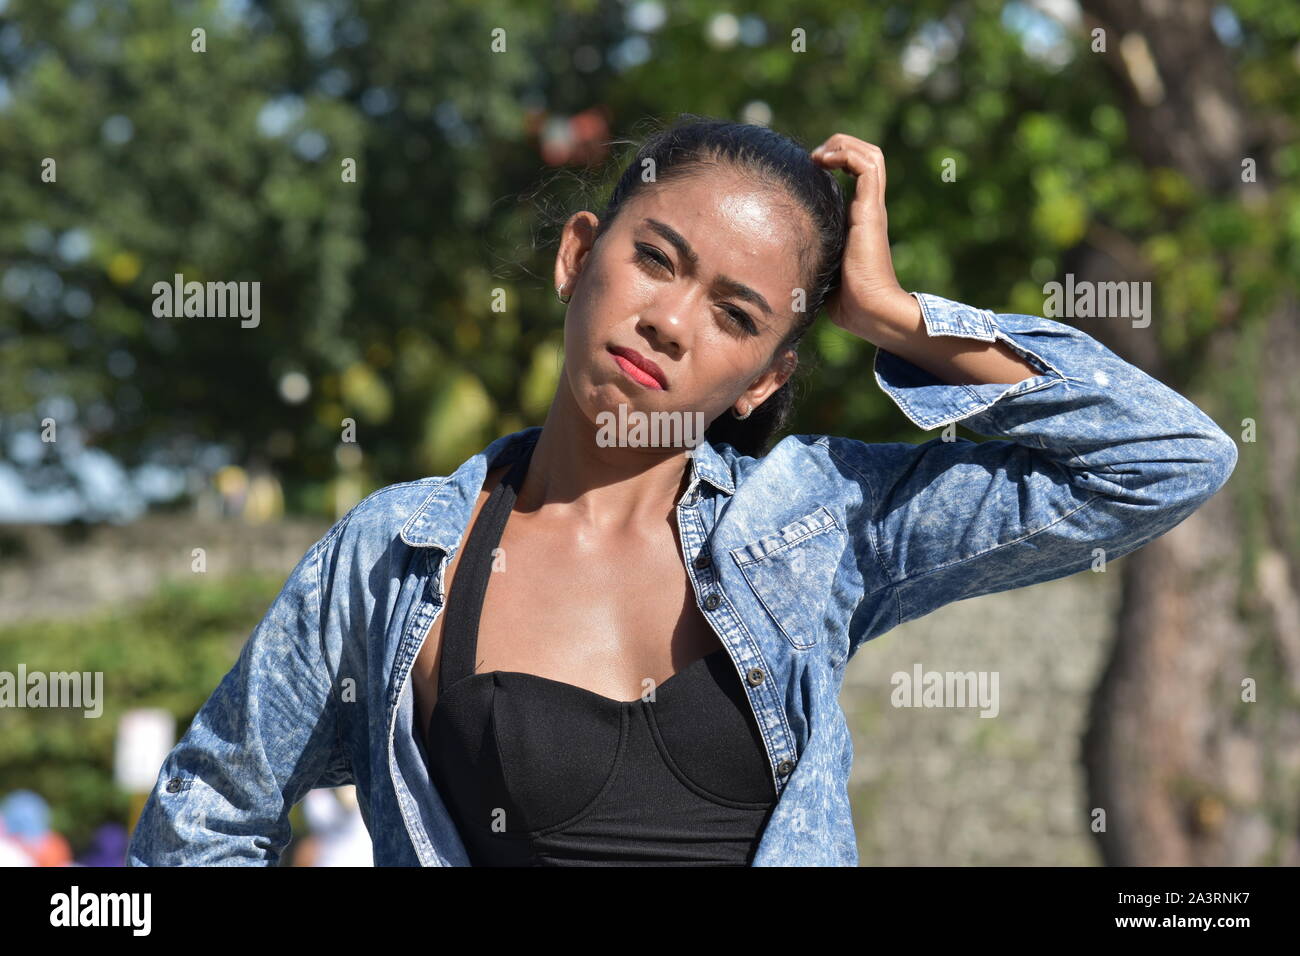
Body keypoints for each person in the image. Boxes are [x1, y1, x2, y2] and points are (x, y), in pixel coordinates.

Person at [128, 115, 1237, 866]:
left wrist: (897, 319)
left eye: (737, 314)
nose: (669, 320)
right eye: (656, 259)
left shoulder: (819, 524)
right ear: (578, 258)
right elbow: (205, 814)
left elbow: (1165, 457)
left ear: (766, 379)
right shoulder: (403, 551)